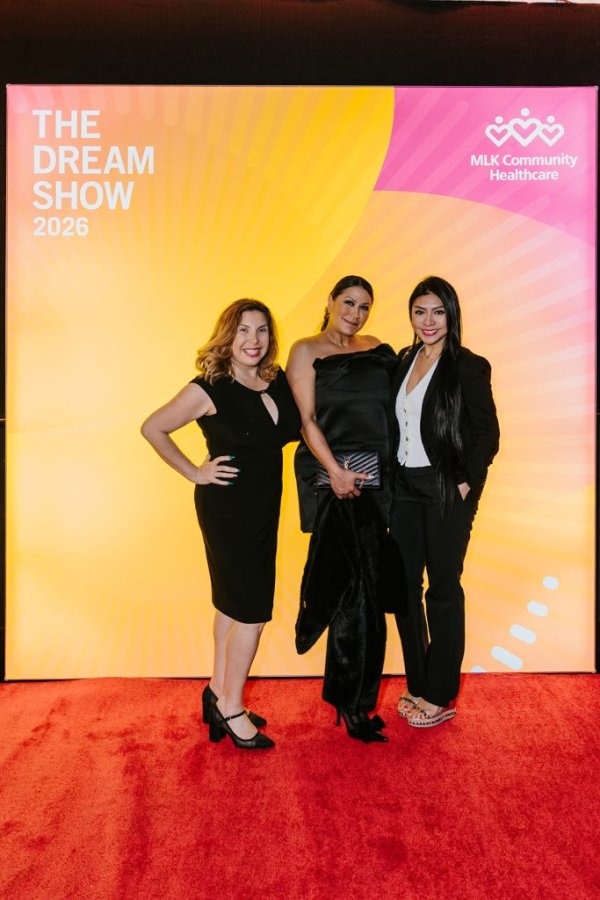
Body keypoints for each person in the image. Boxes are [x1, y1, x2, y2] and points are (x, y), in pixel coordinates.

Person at [141, 299, 300, 750]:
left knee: (232, 605)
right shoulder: (210, 387)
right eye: (244, 331)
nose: (253, 340)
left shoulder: (276, 379)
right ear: (227, 336)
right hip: (228, 509)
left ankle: (216, 693)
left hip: (265, 505)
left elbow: (298, 427)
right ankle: (232, 706)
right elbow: (153, 427)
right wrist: (195, 471)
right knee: (251, 609)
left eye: (262, 331)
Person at [287, 275, 398, 743]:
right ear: (330, 301)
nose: (355, 313)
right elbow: (307, 421)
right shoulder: (305, 350)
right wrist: (334, 471)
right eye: (349, 302)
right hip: (335, 479)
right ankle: (352, 705)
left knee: (371, 592)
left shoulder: (378, 348)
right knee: (351, 592)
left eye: (365, 306)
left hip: (379, 481)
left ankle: (353, 701)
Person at [389, 276, 500, 728]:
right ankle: (418, 683)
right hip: (403, 487)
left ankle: (440, 693)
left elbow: (486, 434)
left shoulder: (469, 366)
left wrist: (465, 484)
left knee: (443, 590)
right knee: (405, 591)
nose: (428, 321)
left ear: (451, 314)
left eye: (437, 311)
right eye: (420, 311)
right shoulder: (403, 360)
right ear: (411, 316)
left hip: (444, 489)